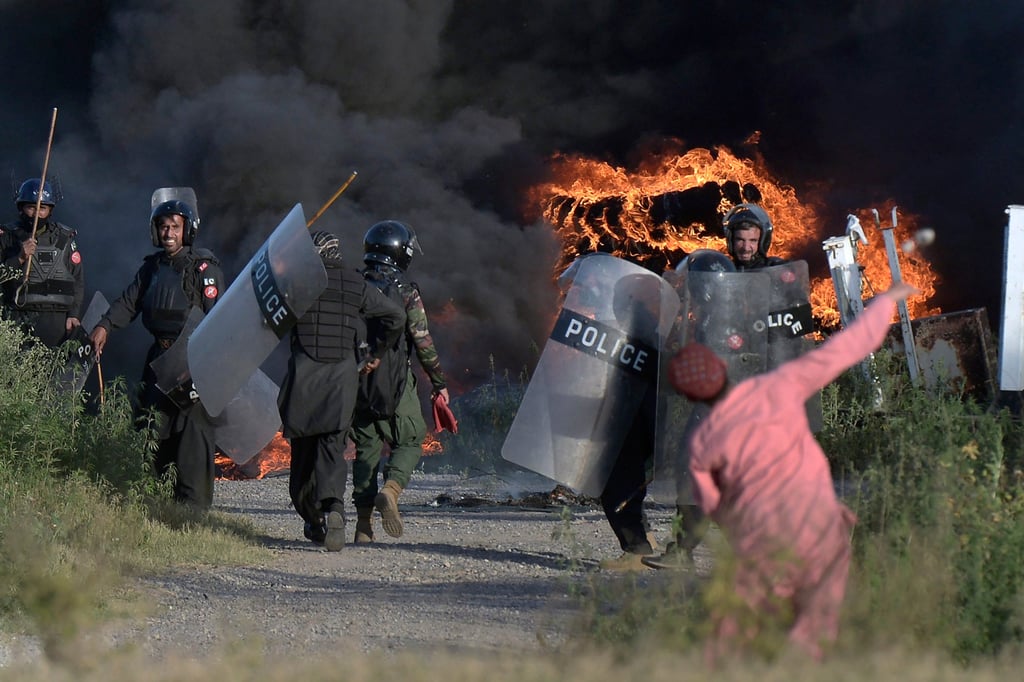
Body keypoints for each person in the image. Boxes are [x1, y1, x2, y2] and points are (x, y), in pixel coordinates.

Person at [669, 280, 920, 660]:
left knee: (735, 637)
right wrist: (884, 303)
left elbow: (715, 509)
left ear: (689, 395)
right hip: (820, 531)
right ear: (722, 367)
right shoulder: (779, 386)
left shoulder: (702, 444)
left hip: (761, 545)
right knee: (813, 633)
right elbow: (846, 348)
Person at [90, 193, 224, 508]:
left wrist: (203, 363)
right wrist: (105, 325)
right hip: (159, 358)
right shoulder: (151, 269)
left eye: (175, 227)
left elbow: (218, 319)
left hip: (194, 359)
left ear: (187, 230)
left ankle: (193, 509)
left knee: (192, 435)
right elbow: (129, 302)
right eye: (163, 227)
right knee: (152, 426)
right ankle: (157, 500)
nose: (168, 233)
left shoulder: (203, 268)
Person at [277, 230, 405, 551]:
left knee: (302, 463)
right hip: (340, 384)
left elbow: (266, 323)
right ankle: (334, 508)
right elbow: (396, 315)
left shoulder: (297, 285)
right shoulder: (355, 283)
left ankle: (314, 520)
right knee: (332, 450)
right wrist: (376, 352)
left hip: (304, 384)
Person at [349, 220, 449, 544]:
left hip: (358, 378)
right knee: (411, 436)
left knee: (365, 450)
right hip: (395, 380)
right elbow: (422, 341)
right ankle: (391, 491)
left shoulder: (352, 284)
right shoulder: (406, 291)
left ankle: (363, 527)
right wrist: (438, 382)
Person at [0, 178, 84, 347]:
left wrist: (74, 314)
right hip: (18, 320)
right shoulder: (7, 237)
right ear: (21, 208)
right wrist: (20, 258)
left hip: (56, 324)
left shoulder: (64, 238)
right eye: (31, 207)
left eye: (42, 208)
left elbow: (77, 280)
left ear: (50, 210)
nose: (36, 213)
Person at [722, 202, 787, 271]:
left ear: (762, 242)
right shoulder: (723, 269)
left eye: (753, 240)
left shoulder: (774, 268)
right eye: (740, 240)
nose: (746, 248)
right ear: (731, 241)